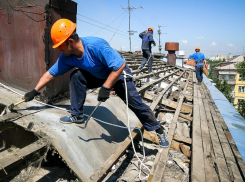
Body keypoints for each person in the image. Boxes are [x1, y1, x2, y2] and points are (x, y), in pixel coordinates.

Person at [23, 19, 169, 147]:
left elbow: (119, 66)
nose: (60, 49)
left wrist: (106, 87)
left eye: (60, 46)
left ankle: (158, 130)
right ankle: (77, 115)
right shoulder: (67, 57)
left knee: (136, 105)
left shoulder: (95, 45)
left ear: (71, 42)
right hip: (98, 76)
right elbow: (50, 74)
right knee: (76, 76)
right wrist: (35, 91)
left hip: (118, 75)